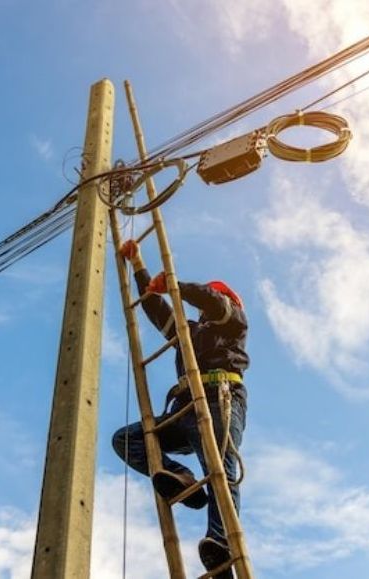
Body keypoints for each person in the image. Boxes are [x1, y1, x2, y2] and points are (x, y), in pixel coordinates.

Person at [111, 239, 249, 578]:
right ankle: (183, 478)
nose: (204, 307)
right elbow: (158, 310)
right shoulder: (191, 332)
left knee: (220, 468)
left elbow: (212, 300)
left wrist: (178, 287)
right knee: (128, 440)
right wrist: (138, 265)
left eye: (212, 299)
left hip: (219, 397)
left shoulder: (233, 324)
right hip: (185, 406)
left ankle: (222, 545)